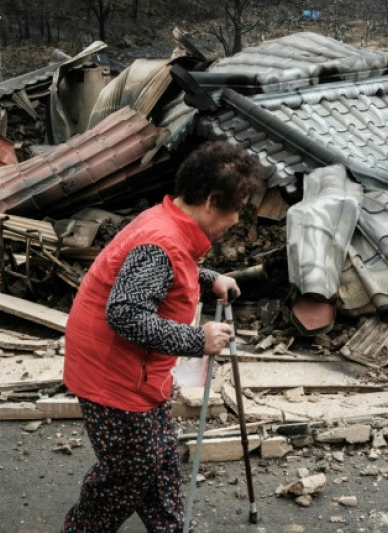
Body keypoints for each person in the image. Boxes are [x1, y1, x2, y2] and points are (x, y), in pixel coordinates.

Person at [62, 141, 261, 532]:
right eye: (235, 207)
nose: (238, 218)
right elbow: (126, 314)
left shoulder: (167, 224)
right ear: (209, 201)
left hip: (136, 372)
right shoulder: (161, 241)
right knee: (127, 476)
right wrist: (196, 340)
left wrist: (209, 278)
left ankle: (170, 528)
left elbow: (171, 273)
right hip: (113, 378)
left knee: (160, 458)